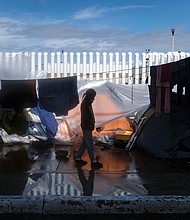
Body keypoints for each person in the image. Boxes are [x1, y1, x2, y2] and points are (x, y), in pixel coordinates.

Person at [75, 88, 103, 169]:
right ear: (90, 96)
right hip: (86, 126)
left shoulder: (87, 103)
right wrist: (92, 125)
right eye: (93, 97)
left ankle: (78, 157)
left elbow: (91, 116)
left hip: (87, 126)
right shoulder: (85, 104)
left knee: (84, 143)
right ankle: (93, 161)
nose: (94, 99)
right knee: (89, 144)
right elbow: (87, 118)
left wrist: (95, 125)